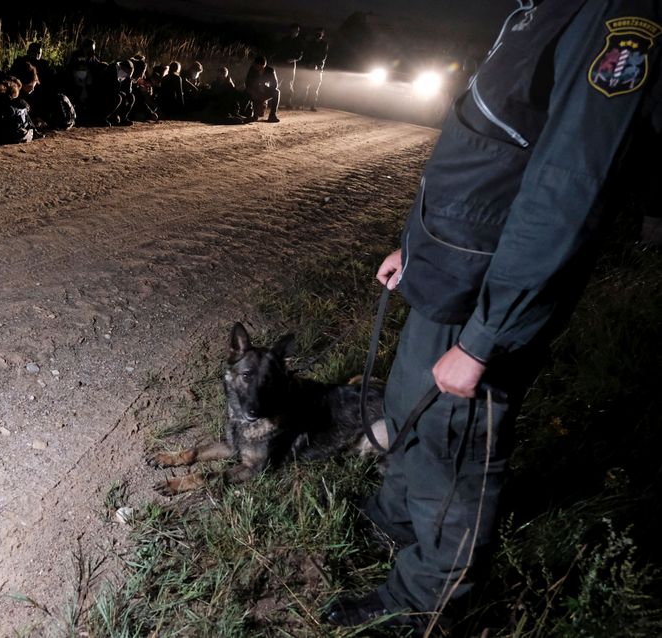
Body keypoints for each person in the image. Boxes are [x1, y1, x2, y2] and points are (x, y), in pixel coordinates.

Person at [327, 2, 662, 634]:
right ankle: (398, 518)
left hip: (485, 295)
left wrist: (487, 337)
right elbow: (490, 149)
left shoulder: (617, 15)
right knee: (406, 407)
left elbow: (567, 188)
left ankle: (427, 600)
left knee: (454, 450)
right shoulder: (548, 7)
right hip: (447, 270)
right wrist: (416, 247)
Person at [272, 23, 302, 109]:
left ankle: (287, 102)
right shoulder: (284, 40)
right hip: (282, 64)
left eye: (297, 31)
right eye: (295, 30)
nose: (296, 32)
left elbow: (300, 55)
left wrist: (293, 59)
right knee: (277, 82)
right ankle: (274, 101)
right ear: (291, 30)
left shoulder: (298, 42)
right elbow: (278, 51)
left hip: (290, 66)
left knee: (289, 84)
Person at [299, 28, 328, 111]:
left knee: (314, 88)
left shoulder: (324, 44)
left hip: (318, 68)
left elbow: (323, 56)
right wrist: (309, 63)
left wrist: (315, 64)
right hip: (309, 67)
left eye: (320, 33)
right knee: (305, 86)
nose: (318, 34)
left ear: (323, 34)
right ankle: (302, 104)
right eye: (317, 32)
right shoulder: (311, 43)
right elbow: (306, 54)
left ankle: (312, 105)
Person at [245, 55, 280, 123]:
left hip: (265, 90)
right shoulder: (252, 69)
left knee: (276, 92)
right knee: (245, 92)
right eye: (255, 65)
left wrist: (264, 88)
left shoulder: (270, 70)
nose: (255, 67)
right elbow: (247, 82)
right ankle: (250, 113)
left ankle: (272, 115)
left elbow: (275, 84)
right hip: (254, 90)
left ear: (263, 65)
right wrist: (254, 89)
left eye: (257, 66)